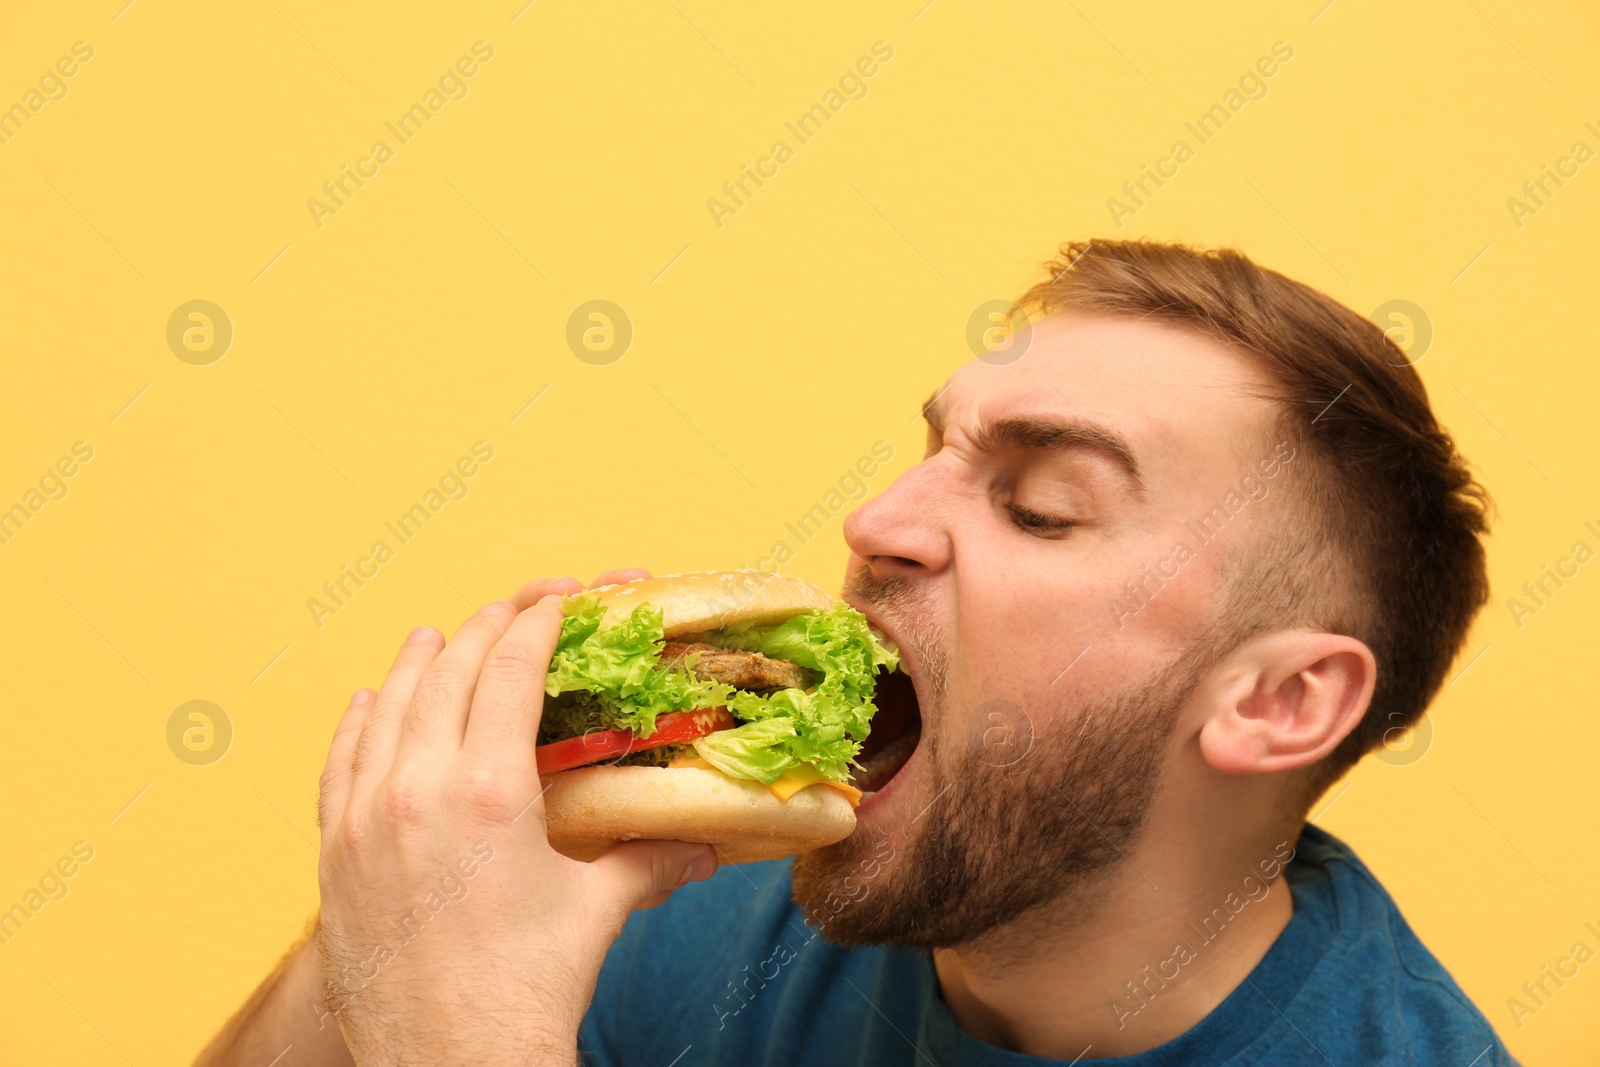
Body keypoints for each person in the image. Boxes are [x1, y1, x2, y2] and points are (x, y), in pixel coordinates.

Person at [196, 239, 1516, 1065]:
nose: (876, 524)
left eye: (1039, 504)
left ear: (1280, 701)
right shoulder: (722, 909)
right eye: (932, 453)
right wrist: (383, 922)